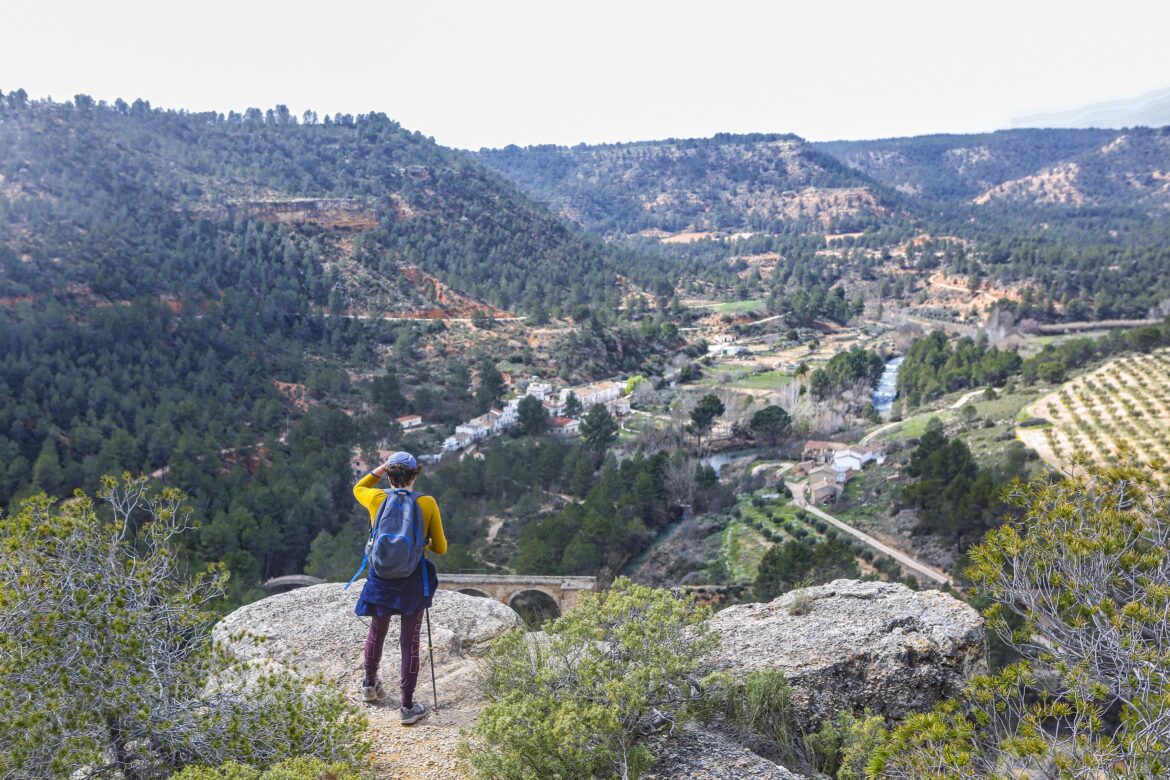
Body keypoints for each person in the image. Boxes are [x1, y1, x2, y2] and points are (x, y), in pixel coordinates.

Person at [352, 451, 446, 725]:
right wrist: (422, 545)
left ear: (390, 474)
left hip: (381, 577)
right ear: (416, 474)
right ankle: (407, 707)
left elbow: (359, 487)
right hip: (412, 581)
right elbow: (440, 547)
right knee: (410, 642)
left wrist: (381, 468)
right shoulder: (426, 503)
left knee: (377, 632)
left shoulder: (377, 498)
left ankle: (369, 686)